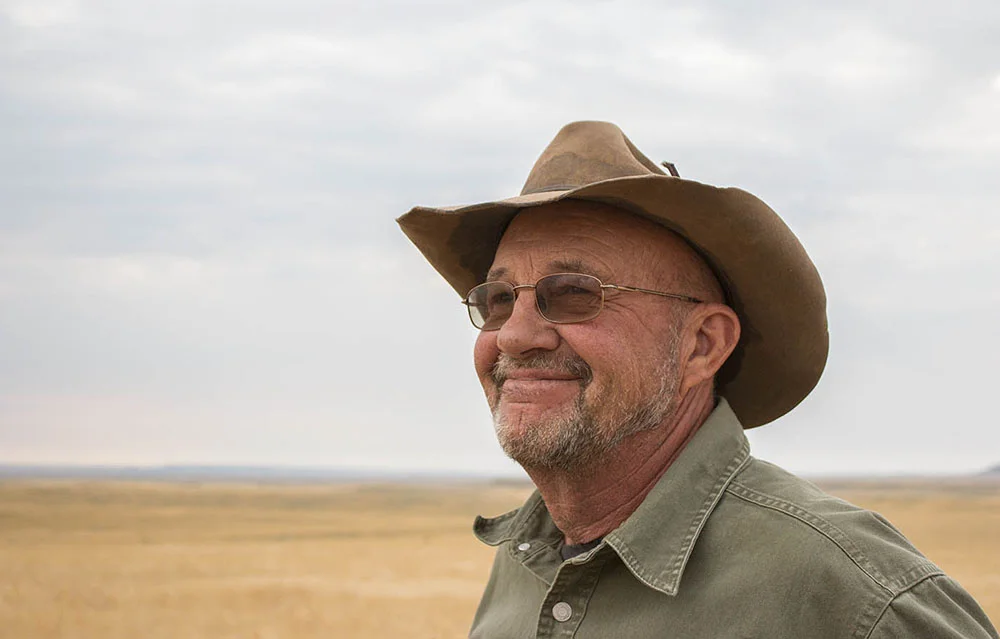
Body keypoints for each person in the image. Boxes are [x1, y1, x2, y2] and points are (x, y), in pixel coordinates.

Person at [397, 121, 998, 638]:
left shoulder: (852, 597)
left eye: (574, 294)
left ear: (701, 345)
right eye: (498, 299)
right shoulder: (524, 565)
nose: (514, 335)